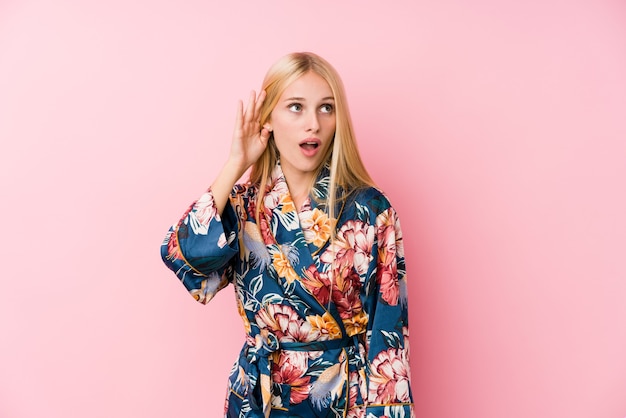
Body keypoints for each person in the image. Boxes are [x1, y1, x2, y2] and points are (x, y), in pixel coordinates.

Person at [160, 52, 414, 418]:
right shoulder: (245, 206)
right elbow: (184, 259)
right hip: (259, 399)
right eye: (296, 107)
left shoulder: (370, 210)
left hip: (345, 401)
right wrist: (236, 164)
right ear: (270, 120)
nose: (313, 123)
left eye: (326, 108)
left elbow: (389, 331)